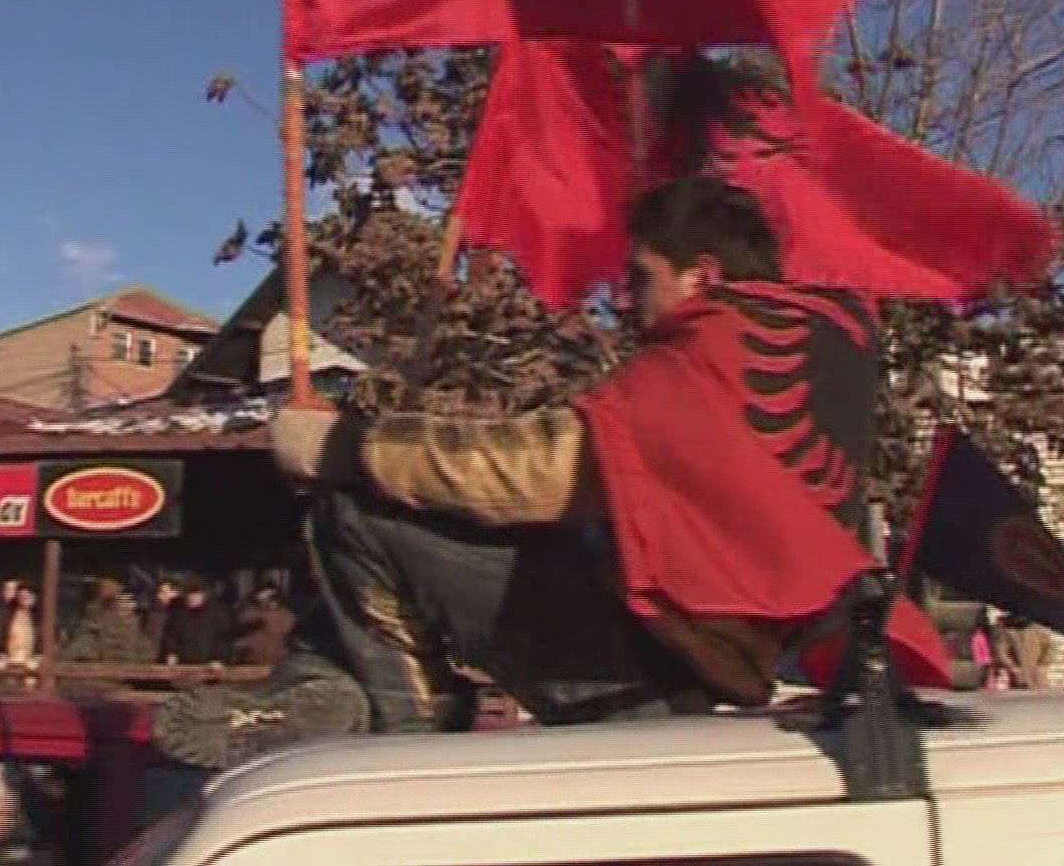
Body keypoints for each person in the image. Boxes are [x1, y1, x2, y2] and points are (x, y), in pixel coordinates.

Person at [183, 177, 940, 766]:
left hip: (643, 667)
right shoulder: (817, 354)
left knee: (357, 514)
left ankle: (397, 738)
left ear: (700, 277)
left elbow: (534, 474)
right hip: (705, 660)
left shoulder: (705, 359)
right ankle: (319, 684)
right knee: (420, 520)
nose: (627, 302)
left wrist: (344, 446)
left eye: (641, 277)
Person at [60, 579, 154, 664]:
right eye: (119, 601)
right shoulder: (89, 636)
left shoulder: (139, 637)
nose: (127, 605)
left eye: (129, 601)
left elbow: (147, 659)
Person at [161, 576, 232, 667]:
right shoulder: (179, 613)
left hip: (209, 665)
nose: (192, 598)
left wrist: (219, 659)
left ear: (204, 595)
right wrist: (171, 653)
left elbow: (224, 638)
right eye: (189, 595)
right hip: (183, 664)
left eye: (196, 595)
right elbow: (171, 636)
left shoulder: (217, 613)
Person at [228, 584, 294, 667]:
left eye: (270, 597)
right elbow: (241, 628)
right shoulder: (250, 611)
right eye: (261, 599)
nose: (265, 601)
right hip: (252, 658)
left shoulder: (286, 614)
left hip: (276, 657)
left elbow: (284, 633)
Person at [993, 612, 1055, 690]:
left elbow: (1050, 648)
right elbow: (1001, 653)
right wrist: (1013, 668)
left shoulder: (1038, 629)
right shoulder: (1007, 630)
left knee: (1039, 692)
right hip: (1020, 675)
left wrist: (1042, 665)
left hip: (1036, 674)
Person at [0, 587, 42, 674]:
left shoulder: (40, 618)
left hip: (32, 665)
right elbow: (3, 640)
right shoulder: (10, 616)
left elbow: (44, 643)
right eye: (21, 597)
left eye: (27, 597)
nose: (24, 600)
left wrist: (37, 659)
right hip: (11, 662)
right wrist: (2, 657)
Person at [141, 576, 182, 660]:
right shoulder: (153, 615)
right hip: (155, 658)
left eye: (167, 592)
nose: (162, 596)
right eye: (161, 592)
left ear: (177, 593)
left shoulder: (184, 614)